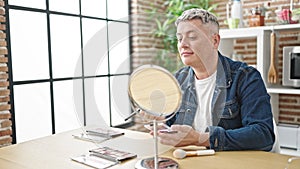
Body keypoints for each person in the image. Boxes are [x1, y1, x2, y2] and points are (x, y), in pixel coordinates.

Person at [146, 8, 275, 151]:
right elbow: (172, 127)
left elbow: (263, 135)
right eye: (179, 38)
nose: (182, 44)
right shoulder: (177, 80)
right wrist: (161, 125)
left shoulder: (246, 77)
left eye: (192, 37)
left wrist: (201, 139)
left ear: (214, 41)